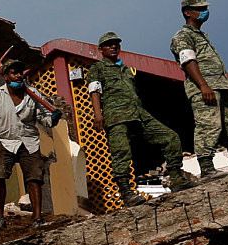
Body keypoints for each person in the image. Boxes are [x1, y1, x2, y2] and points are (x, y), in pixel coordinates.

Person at [82, 32, 192, 203]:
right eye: (109, 44)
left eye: (116, 44)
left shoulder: (126, 70)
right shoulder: (97, 69)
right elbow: (94, 91)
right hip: (117, 116)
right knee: (121, 153)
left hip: (139, 114)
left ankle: (177, 179)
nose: (113, 47)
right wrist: (98, 115)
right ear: (101, 49)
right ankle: (126, 193)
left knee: (170, 137)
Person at [0, 59, 62, 230]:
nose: (18, 75)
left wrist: (52, 118)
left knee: (35, 178)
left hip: (28, 141)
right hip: (4, 140)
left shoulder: (33, 94)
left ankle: (37, 218)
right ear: (6, 76)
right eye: (13, 72)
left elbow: (43, 118)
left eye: (19, 72)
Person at [171, 0, 228, 174]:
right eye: (200, 9)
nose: (205, 12)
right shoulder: (182, 36)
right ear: (187, 13)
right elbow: (188, 61)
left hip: (221, 87)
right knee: (209, 126)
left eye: (205, 8)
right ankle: (206, 166)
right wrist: (203, 86)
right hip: (204, 88)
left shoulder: (202, 36)